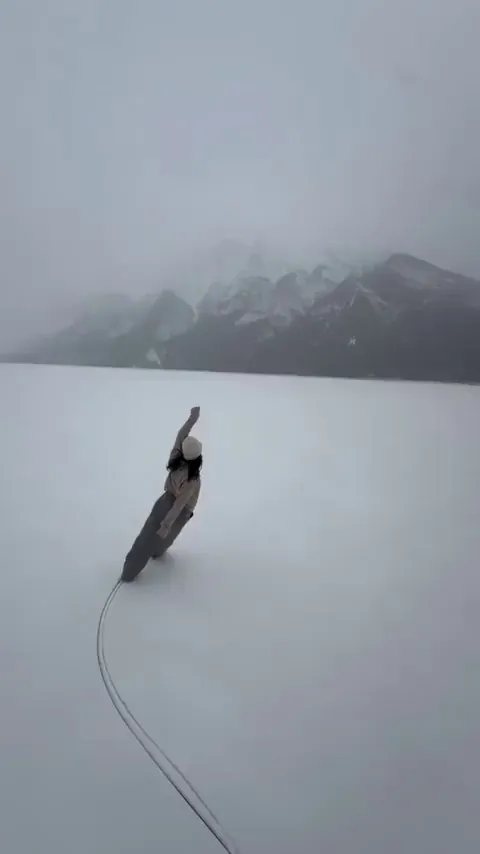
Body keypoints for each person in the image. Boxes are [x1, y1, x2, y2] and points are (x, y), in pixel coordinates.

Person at [121, 407, 202, 582]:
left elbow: (182, 433)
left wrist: (192, 419)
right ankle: (141, 563)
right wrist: (165, 527)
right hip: (180, 510)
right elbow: (179, 505)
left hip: (164, 500)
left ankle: (130, 569)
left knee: (147, 532)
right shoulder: (192, 479)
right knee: (159, 540)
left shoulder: (176, 454)